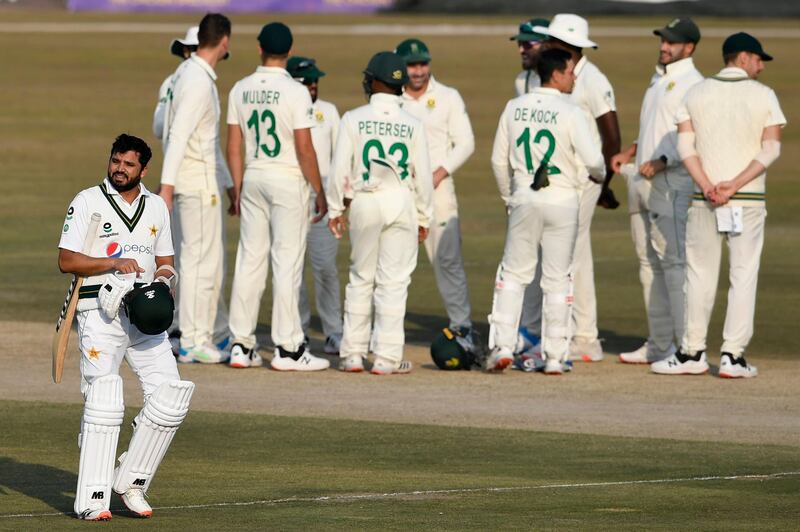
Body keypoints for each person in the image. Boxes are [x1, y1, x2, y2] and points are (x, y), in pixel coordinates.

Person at [58, 134, 194, 520]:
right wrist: (111, 264)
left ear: (144, 169)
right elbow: (67, 261)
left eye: (128, 164)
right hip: (100, 313)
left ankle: (131, 481)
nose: (119, 168)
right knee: (104, 400)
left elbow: (165, 260)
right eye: (115, 161)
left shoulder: (156, 207)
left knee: (171, 396)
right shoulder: (87, 201)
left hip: (145, 314)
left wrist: (165, 281)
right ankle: (93, 499)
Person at [652, 33, 785, 378]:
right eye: (758, 59)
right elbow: (770, 150)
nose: (760, 66)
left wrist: (709, 185)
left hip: (705, 199)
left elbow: (686, 149)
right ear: (742, 58)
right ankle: (732, 356)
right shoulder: (764, 95)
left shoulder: (695, 93)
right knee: (743, 275)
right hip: (747, 199)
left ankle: (692, 351)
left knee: (699, 274)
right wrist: (734, 185)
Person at [487, 48, 606, 374]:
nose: (573, 77)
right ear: (556, 74)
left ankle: (503, 347)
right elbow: (595, 160)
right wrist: (599, 176)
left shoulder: (514, 107)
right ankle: (554, 357)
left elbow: (498, 161)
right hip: (563, 202)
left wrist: (508, 197)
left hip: (525, 198)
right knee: (557, 279)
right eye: (569, 72)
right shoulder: (570, 111)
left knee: (513, 276)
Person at [226, 22, 330, 371]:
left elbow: (234, 145)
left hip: (253, 177)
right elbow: (305, 148)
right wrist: (319, 189)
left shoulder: (240, 88)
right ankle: (288, 349)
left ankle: (241, 344)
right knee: (286, 263)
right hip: (287, 180)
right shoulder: (296, 91)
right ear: (289, 50)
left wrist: (237, 188)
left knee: (250, 260)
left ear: (259, 48)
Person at [327, 51, 434, 375]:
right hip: (401, 200)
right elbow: (424, 177)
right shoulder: (413, 123)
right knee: (394, 283)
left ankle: (353, 355)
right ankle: (386, 359)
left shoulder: (353, 118)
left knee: (361, 277)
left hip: (365, 199)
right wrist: (425, 217)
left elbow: (338, 170)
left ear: (374, 82)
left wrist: (335, 209)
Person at [610, 18, 703, 364]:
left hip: (672, 183)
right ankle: (660, 342)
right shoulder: (659, 77)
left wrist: (664, 160)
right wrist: (630, 152)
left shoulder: (695, 84)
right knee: (648, 264)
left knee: (674, 263)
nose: (664, 46)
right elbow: (654, 127)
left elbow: (695, 135)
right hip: (641, 180)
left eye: (672, 42)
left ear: (689, 47)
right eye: (663, 40)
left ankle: (683, 345)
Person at [534, 14, 621, 363]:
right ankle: (580, 334)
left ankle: (582, 335)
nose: (547, 46)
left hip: (584, 178)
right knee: (572, 251)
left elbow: (612, 136)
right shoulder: (560, 74)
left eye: (553, 42)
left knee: (570, 252)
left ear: (568, 46)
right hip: (563, 178)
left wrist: (603, 185)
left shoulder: (593, 80)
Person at [159, 13, 234, 364]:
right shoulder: (198, 81)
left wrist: (231, 184)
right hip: (197, 184)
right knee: (200, 264)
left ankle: (195, 335)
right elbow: (178, 136)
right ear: (224, 42)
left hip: (198, 181)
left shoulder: (186, 75)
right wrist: (167, 187)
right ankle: (193, 339)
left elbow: (198, 136)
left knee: (197, 262)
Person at [395, 38, 478, 351]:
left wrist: (439, 173)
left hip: (439, 192)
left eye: (423, 64)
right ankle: (386, 330)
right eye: (412, 65)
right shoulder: (390, 98)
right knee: (395, 260)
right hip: (401, 193)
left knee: (447, 260)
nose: (418, 71)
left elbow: (466, 142)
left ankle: (462, 327)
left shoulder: (447, 97)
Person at [287, 56, 344, 356]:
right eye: (306, 81)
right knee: (291, 268)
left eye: (315, 80)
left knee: (325, 268)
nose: (312, 85)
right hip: (291, 196)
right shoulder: (285, 106)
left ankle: (334, 332)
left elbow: (339, 158)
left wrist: (338, 203)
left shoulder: (329, 111)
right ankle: (298, 332)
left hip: (323, 199)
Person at [153, 26, 199, 143]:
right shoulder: (170, 82)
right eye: (196, 49)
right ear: (186, 51)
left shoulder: (207, 83)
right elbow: (158, 127)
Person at [511, 18, 549, 96]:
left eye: (527, 44)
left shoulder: (570, 80)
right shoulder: (521, 81)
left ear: (547, 44)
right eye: (519, 44)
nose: (521, 50)